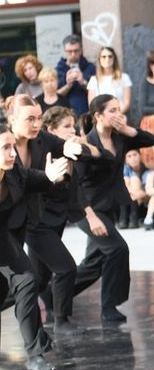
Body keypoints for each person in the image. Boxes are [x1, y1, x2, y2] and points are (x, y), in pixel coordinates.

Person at [7, 95, 97, 337]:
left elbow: (64, 146)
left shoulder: (41, 139)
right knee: (62, 269)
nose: (37, 124)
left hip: (35, 218)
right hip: (10, 221)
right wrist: (46, 176)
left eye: (39, 118)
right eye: (30, 119)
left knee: (34, 280)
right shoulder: (4, 143)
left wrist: (73, 148)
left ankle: (48, 327)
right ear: (12, 119)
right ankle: (60, 321)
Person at [74, 94, 154, 323]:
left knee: (94, 264)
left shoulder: (120, 138)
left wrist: (127, 129)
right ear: (98, 116)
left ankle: (54, 295)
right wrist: (91, 217)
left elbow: (151, 140)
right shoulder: (86, 143)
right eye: (112, 110)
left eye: (119, 109)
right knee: (118, 249)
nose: (118, 114)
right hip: (87, 208)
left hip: (108, 206)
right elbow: (77, 186)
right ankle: (109, 306)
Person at [0, 122, 71, 370]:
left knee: (27, 281)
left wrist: (50, 176)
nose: (12, 153)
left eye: (12, 147)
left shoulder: (14, 173)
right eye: (5, 147)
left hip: (5, 240)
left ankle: (35, 355)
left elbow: (34, 179)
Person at [33, 106, 94, 336]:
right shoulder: (42, 151)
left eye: (73, 126)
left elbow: (84, 164)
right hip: (40, 221)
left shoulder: (68, 150)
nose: (72, 130)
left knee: (39, 279)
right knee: (65, 268)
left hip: (57, 218)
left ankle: (55, 312)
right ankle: (61, 320)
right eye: (66, 126)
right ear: (51, 129)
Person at [55, 34, 95, 116]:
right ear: (64, 51)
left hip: (86, 114)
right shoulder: (58, 70)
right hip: (64, 115)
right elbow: (54, 96)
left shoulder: (91, 68)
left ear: (81, 50)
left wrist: (83, 82)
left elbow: (97, 93)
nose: (73, 54)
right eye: (69, 51)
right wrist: (68, 85)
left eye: (76, 51)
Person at [86, 46, 132, 112]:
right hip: (101, 116)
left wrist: (117, 115)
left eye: (110, 56)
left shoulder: (124, 77)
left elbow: (126, 102)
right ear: (99, 59)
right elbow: (92, 104)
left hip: (119, 114)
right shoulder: (93, 80)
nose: (107, 59)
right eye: (104, 57)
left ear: (114, 59)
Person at [120, 149, 150, 228]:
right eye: (129, 156)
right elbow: (124, 186)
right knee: (130, 180)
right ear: (126, 159)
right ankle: (128, 219)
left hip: (142, 203)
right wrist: (134, 193)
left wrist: (140, 194)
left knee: (134, 179)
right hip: (128, 201)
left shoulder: (147, 171)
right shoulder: (125, 169)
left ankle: (128, 218)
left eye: (135, 155)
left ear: (140, 156)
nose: (133, 158)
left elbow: (148, 191)